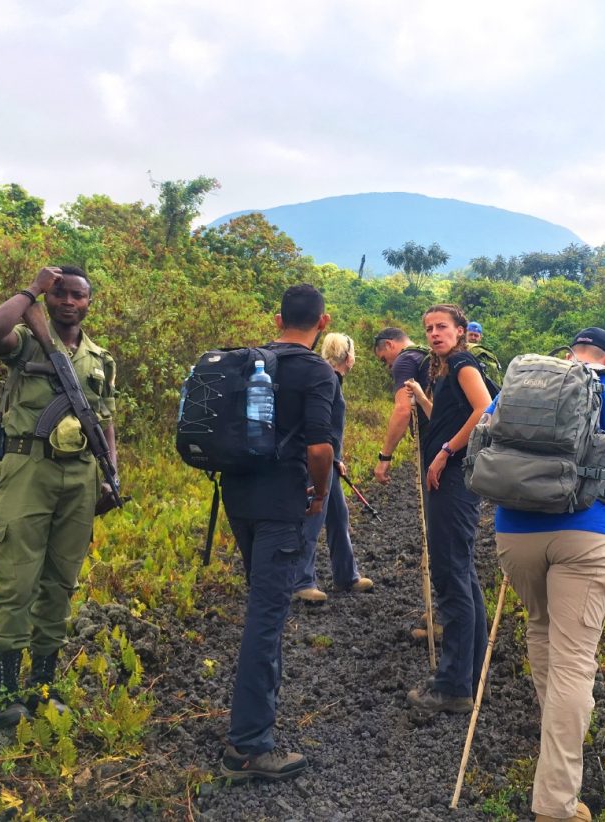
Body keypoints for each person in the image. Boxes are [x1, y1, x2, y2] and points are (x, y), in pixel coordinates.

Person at [492, 327, 605, 822]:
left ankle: (556, 748)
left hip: (514, 533)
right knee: (574, 663)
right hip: (584, 535)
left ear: (568, 353)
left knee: (541, 631)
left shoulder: (524, 382)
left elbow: (489, 436)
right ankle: (555, 803)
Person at [0, 265, 118, 728]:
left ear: (88, 303)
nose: (67, 302)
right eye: (59, 294)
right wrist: (30, 289)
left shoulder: (99, 358)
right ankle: (6, 691)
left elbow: (105, 418)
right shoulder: (26, 338)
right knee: (17, 579)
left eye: (77, 296)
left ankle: (42, 684)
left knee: (60, 581)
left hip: (79, 474)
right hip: (27, 468)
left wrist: (110, 470)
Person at [218, 284, 337, 782]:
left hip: (238, 496)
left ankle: (252, 720)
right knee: (266, 619)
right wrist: (318, 494)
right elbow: (320, 449)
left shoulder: (251, 360)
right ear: (323, 322)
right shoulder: (317, 370)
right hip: (280, 505)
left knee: (263, 607)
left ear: (276, 318)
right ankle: (249, 746)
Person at [405, 304, 493, 714]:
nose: (434, 334)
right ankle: (469, 676)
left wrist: (444, 452)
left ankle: (455, 685)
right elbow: (447, 419)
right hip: (453, 480)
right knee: (461, 572)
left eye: (442, 327)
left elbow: (484, 409)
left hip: (454, 481)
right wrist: (424, 399)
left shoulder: (461, 364)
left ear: (460, 331)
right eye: (428, 329)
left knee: (451, 574)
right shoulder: (445, 370)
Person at [293, 333, 374, 603]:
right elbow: (320, 426)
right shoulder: (327, 380)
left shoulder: (329, 378)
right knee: (312, 519)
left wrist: (336, 458)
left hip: (329, 460)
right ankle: (301, 581)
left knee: (338, 517)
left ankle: (346, 576)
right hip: (318, 460)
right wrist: (330, 458)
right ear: (348, 357)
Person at [371, 327, 430, 485]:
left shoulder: (405, 359)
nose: (388, 366)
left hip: (432, 440)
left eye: (384, 359)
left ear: (389, 344)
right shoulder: (426, 354)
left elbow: (403, 410)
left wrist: (385, 457)